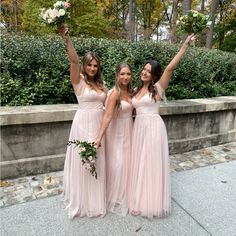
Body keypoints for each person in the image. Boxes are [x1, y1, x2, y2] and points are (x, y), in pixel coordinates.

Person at [128, 34, 196, 218]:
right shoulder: (135, 89)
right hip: (138, 129)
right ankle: (138, 197)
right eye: (143, 69)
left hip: (152, 129)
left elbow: (170, 68)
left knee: (150, 164)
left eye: (148, 71)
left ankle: (150, 202)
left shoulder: (157, 88)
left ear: (154, 74)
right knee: (139, 163)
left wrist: (184, 46)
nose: (144, 72)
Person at [59, 25, 107, 219]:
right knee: (82, 161)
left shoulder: (102, 85)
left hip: (98, 125)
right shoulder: (78, 81)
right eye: (90, 65)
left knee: (98, 159)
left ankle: (96, 199)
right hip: (82, 123)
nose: (92, 68)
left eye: (95, 66)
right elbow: (73, 60)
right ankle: (82, 200)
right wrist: (67, 38)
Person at [95, 63, 133, 216]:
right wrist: (99, 138)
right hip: (117, 132)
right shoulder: (115, 93)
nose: (125, 77)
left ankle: (125, 193)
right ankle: (115, 196)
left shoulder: (131, 92)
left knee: (127, 163)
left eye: (128, 74)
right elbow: (107, 116)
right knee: (118, 163)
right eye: (122, 74)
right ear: (117, 75)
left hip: (129, 130)